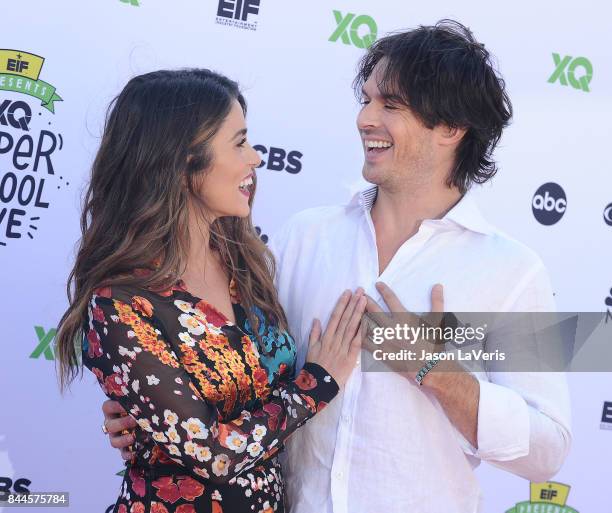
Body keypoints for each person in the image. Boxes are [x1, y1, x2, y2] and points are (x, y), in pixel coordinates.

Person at [103, 20, 572, 513]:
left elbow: (549, 450)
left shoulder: (513, 271)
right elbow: (228, 370)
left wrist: (437, 371)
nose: (365, 118)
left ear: (452, 127)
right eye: (365, 100)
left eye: (390, 105)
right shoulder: (304, 238)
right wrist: (150, 405)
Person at [55, 68, 369, 513]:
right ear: (183, 159)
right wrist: (319, 382)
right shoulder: (121, 303)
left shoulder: (245, 261)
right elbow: (213, 454)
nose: (255, 159)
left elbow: (250, 394)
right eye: (239, 142)